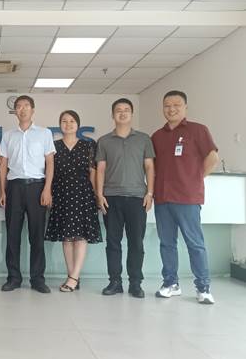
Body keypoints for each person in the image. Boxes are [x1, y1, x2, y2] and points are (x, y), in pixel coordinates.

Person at [152, 90, 219, 305]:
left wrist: (195, 179)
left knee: (195, 244)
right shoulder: (157, 136)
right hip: (163, 198)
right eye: (167, 105)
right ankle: (171, 283)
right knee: (167, 244)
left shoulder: (198, 130)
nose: (171, 109)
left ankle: (203, 287)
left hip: (188, 198)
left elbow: (213, 158)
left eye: (176, 105)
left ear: (185, 107)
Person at [96, 98, 155, 298]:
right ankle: (115, 282)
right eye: (118, 110)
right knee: (113, 242)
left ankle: (135, 283)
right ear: (113, 115)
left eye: (126, 110)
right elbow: (100, 169)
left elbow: (149, 167)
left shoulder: (144, 139)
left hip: (137, 197)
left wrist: (150, 193)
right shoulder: (104, 141)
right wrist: (99, 194)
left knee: (136, 242)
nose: (122, 113)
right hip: (111, 198)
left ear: (132, 114)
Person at [0, 95, 55, 294]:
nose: (22, 109)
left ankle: (37, 279)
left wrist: (47, 189)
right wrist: (3, 191)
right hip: (14, 188)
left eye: (26, 106)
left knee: (36, 236)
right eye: (19, 106)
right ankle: (13, 278)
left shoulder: (45, 133)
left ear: (33, 110)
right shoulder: (8, 135)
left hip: (37, 188)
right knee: (13, 235)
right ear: (15, 111)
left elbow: (50, 163)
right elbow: (3, 165)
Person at [45, 110, 102, 292]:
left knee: (80, 237)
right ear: (59, 125)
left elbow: (93, 173)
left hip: (83, 194)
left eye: (72, 121)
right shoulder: (53, 146)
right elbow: (49, 172)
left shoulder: (88, 145)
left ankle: (74, 277)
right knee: (67, 238)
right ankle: (72, 277)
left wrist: (97, 195)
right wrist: (49, 192)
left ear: (78, 125)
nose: (68, 124)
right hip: (61, 194)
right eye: (64, 121)